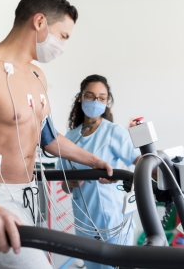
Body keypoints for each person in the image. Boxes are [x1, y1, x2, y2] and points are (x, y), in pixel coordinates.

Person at [0, 0, 113, 269]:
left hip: (28, 195)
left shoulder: (37, 76)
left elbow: (48, 138)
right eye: (63, 36)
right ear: (39, 22)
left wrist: (94, 162)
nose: (63, 46)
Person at [58, 74, 140, 269]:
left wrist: (156, 166)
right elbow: (63, 184)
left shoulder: (114, 132)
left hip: (113, 219)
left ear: (107, 102)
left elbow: (139, 161)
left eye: (101, 98)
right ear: (81, 98)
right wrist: (71, 183)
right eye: (91, 96)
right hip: (84, 222)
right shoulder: (68, 138)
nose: (96, 101)